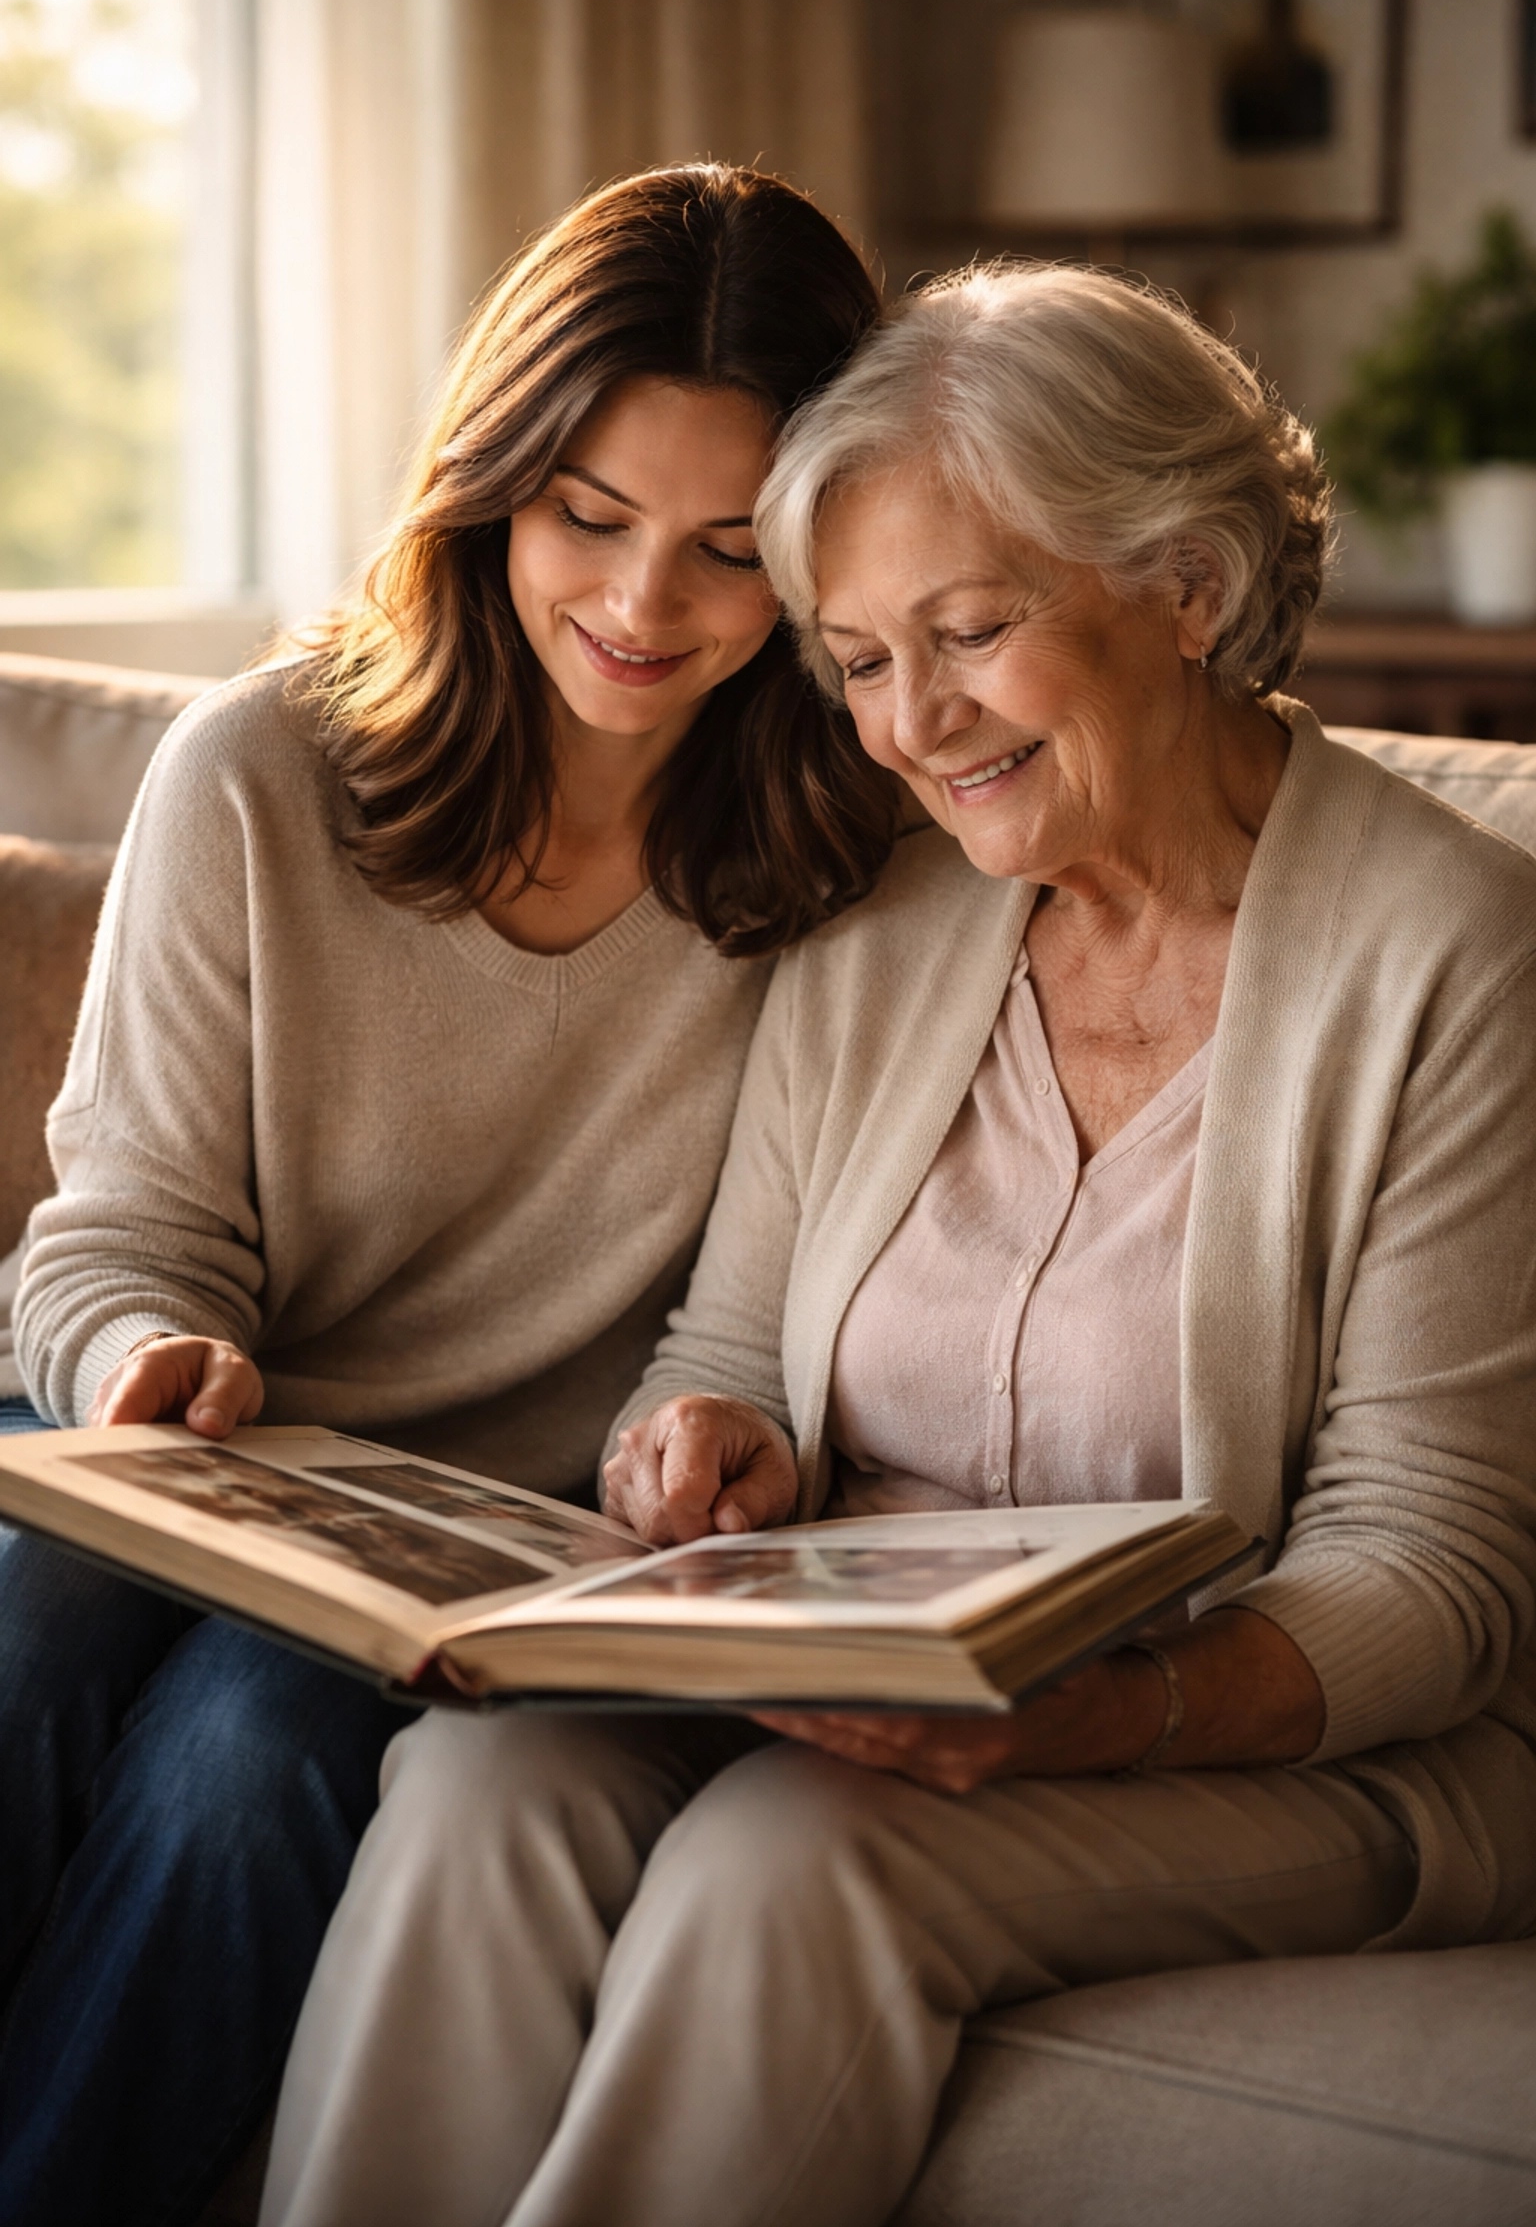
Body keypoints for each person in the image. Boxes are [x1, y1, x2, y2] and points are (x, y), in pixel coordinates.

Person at [260, 263, 1536, 2227]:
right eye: (855, 660)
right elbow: (738, 1345)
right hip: (880, 1680)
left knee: (795, 1861)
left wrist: (1091, 1719)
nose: (912, 727)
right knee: (473, 1790)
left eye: (973, 633)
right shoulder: (881, 938)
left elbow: (1433, 1572)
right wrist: (702, 1441)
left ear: (1184, 588)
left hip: (1292, 1733)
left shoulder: (1458, 959)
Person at [0, 163, 893, 2227]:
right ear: (488, 480)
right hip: (164, 1452)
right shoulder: (257, 776)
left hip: (476, 1552)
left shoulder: (843, 881)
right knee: (31, 1616)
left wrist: (709, 1443)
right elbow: (114, 1229)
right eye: (589, 518)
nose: (644, 608)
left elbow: (743, 1311)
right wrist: (150, 1356)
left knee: (251, 1758)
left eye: (732, 552)